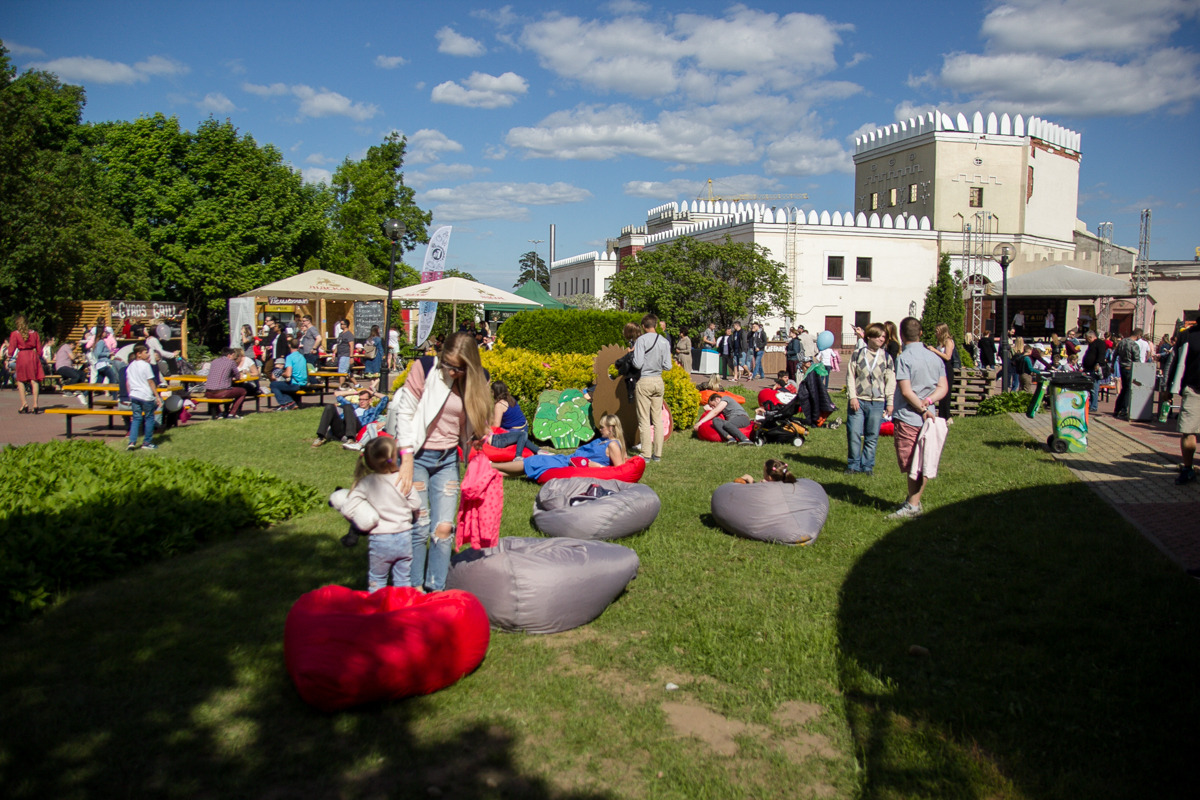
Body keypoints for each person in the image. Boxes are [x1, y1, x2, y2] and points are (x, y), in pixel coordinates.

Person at [385, 331, 491, 593]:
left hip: (447, 460)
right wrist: (406, 457)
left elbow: (475, 422)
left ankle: (435, 589)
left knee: (443, 529)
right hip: (418, 456)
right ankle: (411, 589)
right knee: (419, 526)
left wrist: (477, 437)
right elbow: (405, 412)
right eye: (448, 365)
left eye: (458, 368)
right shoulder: (424, 368)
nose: (452, 372)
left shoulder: (478, 380)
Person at [338, 436, 423, 592]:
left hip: (380, 538)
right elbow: (416, 503)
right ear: (394, 457)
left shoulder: (366, 483)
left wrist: (364, 515)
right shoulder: (402, 479)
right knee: (403, 579)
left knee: (378, 579)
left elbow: (348, 509)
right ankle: (402, 611)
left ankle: (377, 611)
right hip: (404, 537)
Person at [888, 317, 948, 519]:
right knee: (923, 459)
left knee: (912, 462)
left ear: (902, 336)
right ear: (921, 333)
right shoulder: (935, 357)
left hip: (910, 417)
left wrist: (922, 408)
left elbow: (906, 391)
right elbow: (943, 388)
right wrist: (929, 401)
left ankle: (913, 506)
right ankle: (913, 501)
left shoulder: (904, 358)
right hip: (929, 417)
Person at [493, 414, 627, 478]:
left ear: (611, 428)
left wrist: (598, 467)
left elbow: (620, 471)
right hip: (568, 459)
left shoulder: (613, 445)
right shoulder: (604, 441)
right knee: (536, 462)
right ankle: (493, 473)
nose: (600, 429)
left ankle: (492, 466)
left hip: (570, 465)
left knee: (535, 460)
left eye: (602, 427)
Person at [845, 322, 896, 474]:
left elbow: (890, 380)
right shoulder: (858, 354)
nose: (882, 339)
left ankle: (867, 466)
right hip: (858, 400)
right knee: (854, 433)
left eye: (884, 337)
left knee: (872, 435)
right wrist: (852, 397)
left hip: (877, 402)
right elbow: (850, 377)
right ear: (870, 336)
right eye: (879, 336)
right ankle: (853, 464)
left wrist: (890, 402)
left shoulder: (887, 357)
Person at [632, 314, 673, 462]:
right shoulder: (664, 341)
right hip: (658, 381)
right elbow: (668, 366)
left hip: (645, 380)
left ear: (643, 326)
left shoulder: (641, 340)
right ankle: (658, 454)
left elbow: (637, 363)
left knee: (644, 418)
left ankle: (646, 454)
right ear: (655, 325)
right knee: (657, 419)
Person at [1166, 314, 1200, 485]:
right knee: (1188, 430)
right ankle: (1188, 469)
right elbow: (1175, 362)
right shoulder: (1188, 335)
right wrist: (1168, 389)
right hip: (1193, 389)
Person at [313, 382, 386, 447]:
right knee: (330, 407)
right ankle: (320, 437)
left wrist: (371, 392)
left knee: (348, 407)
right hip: (342, 427)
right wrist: (356, 392)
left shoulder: (373, 411)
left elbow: (385, 398)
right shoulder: (354, 406)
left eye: (364, 400)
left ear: (370, 400)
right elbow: (337, 395)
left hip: (357, 428)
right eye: (360, 399)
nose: (361, 402)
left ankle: (351, 439)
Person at [125, 344, 162, 450]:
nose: (147, 354)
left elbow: (128, 382)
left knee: (136, 418)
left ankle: (132, 442)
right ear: (139, 354)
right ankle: (147, 442)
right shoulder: (146, 366)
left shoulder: (131, 366)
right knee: (149, 418)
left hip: (134, 395)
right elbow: (150, 381)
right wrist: (157, 396)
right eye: (145, 352)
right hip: (145, 395)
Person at [489, 380, 539, 457]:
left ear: (495, 392)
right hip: (524, 427)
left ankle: (532, 451)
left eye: (492, 391)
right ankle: (539, 450)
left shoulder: (500, 405)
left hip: (516, 430)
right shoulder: (510, 399)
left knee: (499, 436)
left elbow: (496, 425)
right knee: (521, 438)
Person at [8, 314, 45, 414]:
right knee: (34, 380)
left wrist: (8, 356)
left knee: (20, 380)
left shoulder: (15, 334)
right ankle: (35, 404)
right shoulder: (34, 333)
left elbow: (11, 349)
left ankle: (24, 403)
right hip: (32, 356)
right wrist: (37, 355)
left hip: (22, 356)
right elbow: (39, 349)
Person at [204, 348, 248, 419]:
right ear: (229, 355)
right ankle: (232, 414)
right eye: (234, 355)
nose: (235, 357)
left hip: (208, 392)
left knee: (214, 394)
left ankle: (219, 413)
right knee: (243, 391)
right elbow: (237, 376)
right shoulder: (231, 362)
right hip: (222, 392)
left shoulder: (214, 361)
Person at [930, 322, 960, 420]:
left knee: (946, 393)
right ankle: (942, 414)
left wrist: (934, 350)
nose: (936, 333)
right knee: (939, 392)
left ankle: (946, 416)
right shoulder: (940, 342)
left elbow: (948, 357)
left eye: (937, 331)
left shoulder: (948, 341)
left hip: (947, 368)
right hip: (939, 367)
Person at [270, 338, 308, 410]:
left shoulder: (290, 357)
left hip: (295, 384)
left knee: (273, 385)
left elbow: (288, 374)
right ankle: (291, 403)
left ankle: (283, 404)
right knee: (282, 386)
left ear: (289, 345)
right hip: (304, 383)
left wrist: (282, 373)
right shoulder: (302, 357)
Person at [1113, 329, 1144, 419]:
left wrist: (1113, 366)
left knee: (1124, 389)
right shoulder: (1134, 345)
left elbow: (1115, 354)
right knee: (1128, 389)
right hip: (1130, 368)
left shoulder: (1122, 342)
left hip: (1122, 367)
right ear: (1138, 335)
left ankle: (1117, 408)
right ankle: (1123, 409)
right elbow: (1137, 359)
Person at [1081, 330, 1107, 412]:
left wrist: (1098, 363)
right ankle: (1090, 404)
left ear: (1090, 337)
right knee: (1090, 388)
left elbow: (1101, 354)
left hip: (1094, 369)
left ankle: (1094, 406)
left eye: (1087, 339)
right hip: (1088, 368)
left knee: (1094, 388)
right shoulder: (1091, 344)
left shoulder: (1099, 343)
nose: (1086, 340)